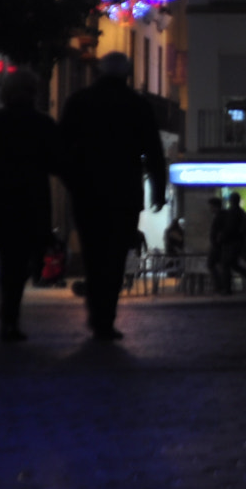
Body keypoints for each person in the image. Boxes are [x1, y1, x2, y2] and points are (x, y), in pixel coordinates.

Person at [59, 52, 168, 340]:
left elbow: (61, 147)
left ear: (98, 72)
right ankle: (106, 318)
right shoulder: (138, 105)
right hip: (125, 192)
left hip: (87, 192)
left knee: (93, 255)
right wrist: (158, 190)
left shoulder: (79, 102)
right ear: (127, 73)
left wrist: (72, 181)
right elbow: (154, 152)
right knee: (116, 256)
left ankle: (97, 317)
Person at [0, 70, 62, 343]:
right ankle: (10, 317)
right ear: (33, 93)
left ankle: (8, 316)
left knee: (8, 259)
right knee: (19, 262)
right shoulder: (42, 124)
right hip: (31, 203)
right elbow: (57, 162)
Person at [207, 196, 237, 293]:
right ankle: (222, 286)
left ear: (215, 206)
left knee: (213, 264)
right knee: (223, 266)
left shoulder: (220, 216)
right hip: (220, 245)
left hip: (219, 246)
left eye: (211, 207)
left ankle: (221, 286)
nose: (210, 209)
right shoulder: (223, 215)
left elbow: (220, 231)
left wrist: (217, 241)